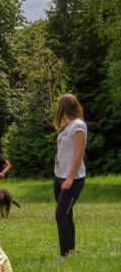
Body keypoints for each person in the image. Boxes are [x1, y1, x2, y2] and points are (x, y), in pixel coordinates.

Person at [53, 93, 87, 262]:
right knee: (67, 215)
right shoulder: (66, 126)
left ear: (64, 107)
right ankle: (71, 250)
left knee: (60, 215)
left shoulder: (78, 126)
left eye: (59, 105)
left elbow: (79, 154)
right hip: (59, 176)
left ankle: (63, 255)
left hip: (72, 179)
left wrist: (70, 178)